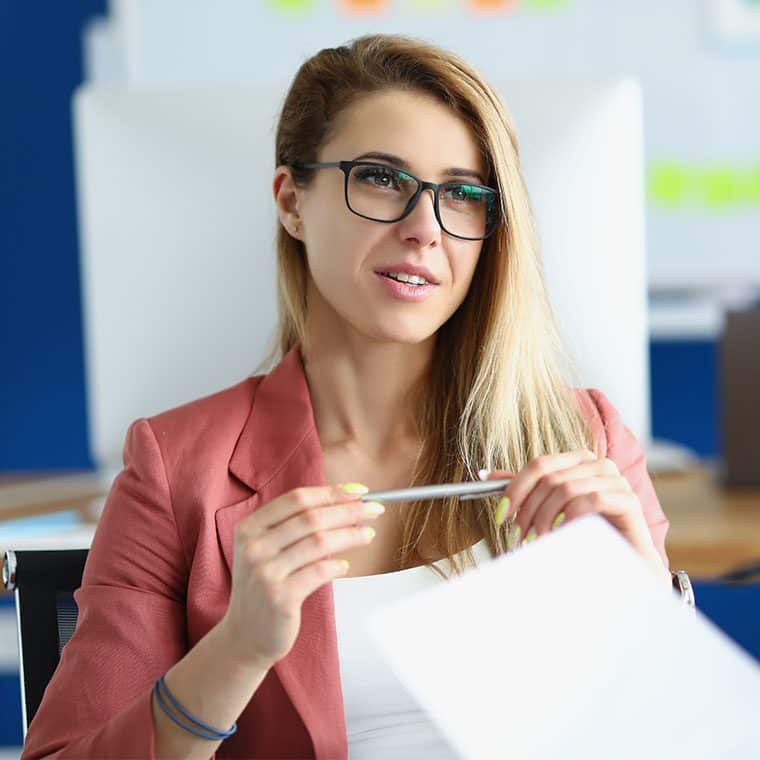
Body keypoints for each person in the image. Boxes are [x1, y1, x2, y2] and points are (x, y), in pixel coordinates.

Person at [21, 33, 671, 760]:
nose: (425, 230)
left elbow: (679, 732)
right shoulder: (177, 472)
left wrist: (648, 603)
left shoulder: (587, 438)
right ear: (292, 202)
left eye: (462, 194)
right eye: (382, 180)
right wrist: (237, 650)